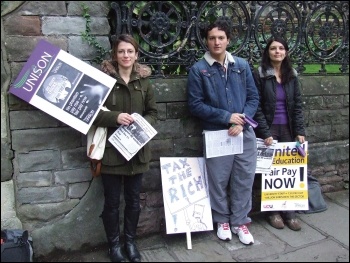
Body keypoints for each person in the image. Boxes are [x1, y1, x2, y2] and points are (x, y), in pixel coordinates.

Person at [187, 18, 259, 245]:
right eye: (212, 38)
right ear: (206, 41)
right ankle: (222, 221)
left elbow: (253, 97)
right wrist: (227, 117)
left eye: (220, 38)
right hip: (217, 134)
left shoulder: (242, 65)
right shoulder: (199, 70)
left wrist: (242, 121)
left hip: (243, 133)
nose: (216, 42)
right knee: (218, 180)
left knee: (244, 178)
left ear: (228, 40)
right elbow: (195, 105)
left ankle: (240, 221)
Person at [93, 34, 158, 262]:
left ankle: (130, 242)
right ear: (115, 55)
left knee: (133, 201)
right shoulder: (104, 80)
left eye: (130, 51)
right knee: (111, 203)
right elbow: (91, 113)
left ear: (136, 54)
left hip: (137, 153)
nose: (126, 55)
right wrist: (115, 117)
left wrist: (141, 125)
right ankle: (114, 246)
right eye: (121, 51)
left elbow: (153, 112)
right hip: (112, 153)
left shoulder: (144, 82)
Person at [252, 37, 306, 231]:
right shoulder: (260, 74)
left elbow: (297, 105)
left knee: (288, 171)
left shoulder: (291, 74)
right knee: (270, 171)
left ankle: (290, 212)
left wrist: (299, 131)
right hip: (269, 128)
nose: (277, 51)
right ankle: (273, 211)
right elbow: (256, 105)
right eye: (273, 48)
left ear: (286, 52)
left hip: (288, 129)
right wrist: (264, 132)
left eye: (281, 48)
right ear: (268, 52)